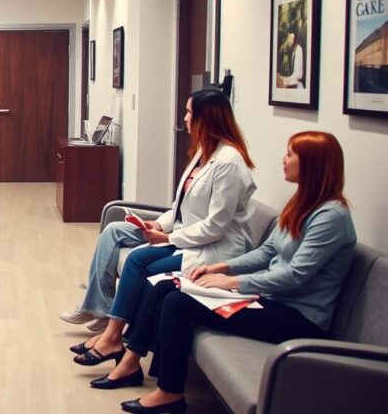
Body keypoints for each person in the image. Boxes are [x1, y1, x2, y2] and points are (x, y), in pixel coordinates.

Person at [108, 131, 355, 414]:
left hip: (298, 318)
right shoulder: (301, 202)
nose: (283, 160)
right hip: (269, 299)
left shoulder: (331, 217)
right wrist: (219, 267)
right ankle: (136, 363)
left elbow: (295, 275)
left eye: (290, 154)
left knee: (178, 304)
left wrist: (232, 283)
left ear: (312, 164)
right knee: (166, 287)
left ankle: (170, 392)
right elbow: (266, 252)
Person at [65, 88, 256, 364]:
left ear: (207, 118)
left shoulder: (229, 163)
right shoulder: (204, 152)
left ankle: (115, 337)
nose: (185, 118)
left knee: (140, 263)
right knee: (119, 235)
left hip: (216, 249)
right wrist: (158, 223)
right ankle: (110, 330)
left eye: (190, 112)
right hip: (186, 236)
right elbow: (179, 207)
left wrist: (168, 237)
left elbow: (216, 226)